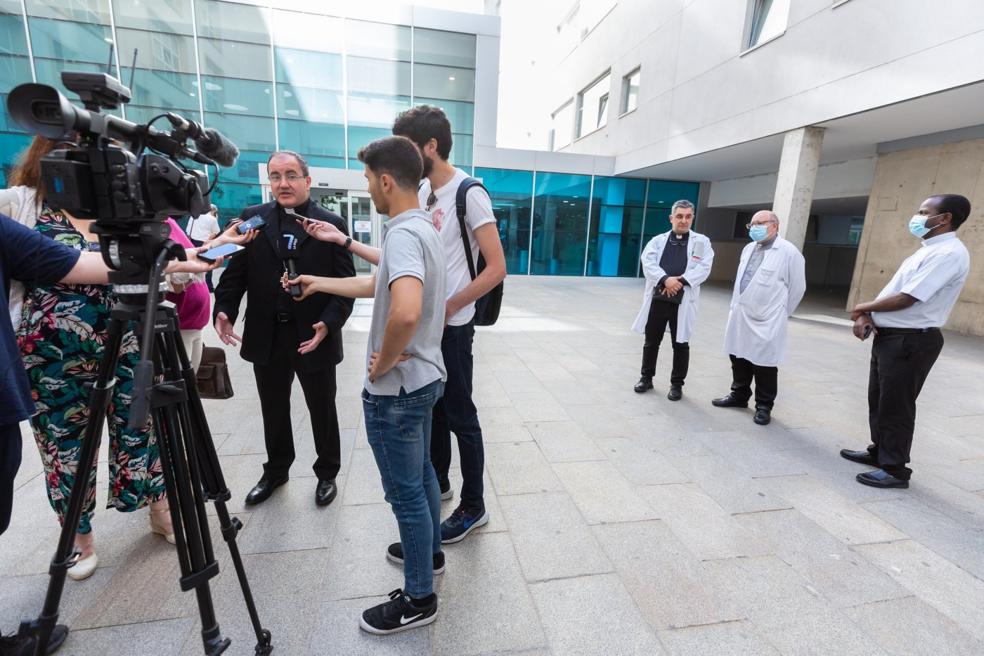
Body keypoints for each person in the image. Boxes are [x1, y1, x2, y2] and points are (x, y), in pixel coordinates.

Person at [0, 214, 217, 655]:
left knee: (143, 434)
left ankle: (160, 512)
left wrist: (172, 266)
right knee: (65, 450)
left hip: (131, 344)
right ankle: (79, 539)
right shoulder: (29, 210)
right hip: (52, 356)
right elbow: (60, 263)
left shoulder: (125, 216)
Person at [287, 136, 447, 634]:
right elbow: (382, 286)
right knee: (421, 478)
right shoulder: (423, 227)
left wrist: (383, 363)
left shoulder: (401, 233)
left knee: (406, 495)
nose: (369, 190)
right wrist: (320, 282)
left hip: (397, 390)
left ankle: (420, 597)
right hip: (425, 380)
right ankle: (430, 554)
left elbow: (406, 309)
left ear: (384, 180)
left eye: (367, 181)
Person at [213, 151, 355, 508]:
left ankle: (327, 473)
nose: (283, 183)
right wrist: (225, 309)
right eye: (276, 176)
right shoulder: (252, 220)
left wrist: (329, 322)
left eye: (291, 175)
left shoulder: (330, 223)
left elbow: (346, 284)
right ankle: (276, 470)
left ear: (307, 180)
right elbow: (235, 274)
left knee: (322, 407)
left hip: (313, 334)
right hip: (267, 334)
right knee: (272, 407)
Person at [841, 194, 972, 488]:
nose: (917, 216)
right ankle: (880, 452)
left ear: (945, 218)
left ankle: (895, 469)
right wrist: (869, 316)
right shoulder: (926, 250)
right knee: (879, 400)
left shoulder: (948, 253)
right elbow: (895, 292)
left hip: (911, 341)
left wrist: (862, 307)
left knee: (896, 405)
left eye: (924, 211)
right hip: (891, 338)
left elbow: (906, 298)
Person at [712, 210, 806, 425]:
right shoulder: (748, 248)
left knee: (764, 363)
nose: (754, 228)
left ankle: (764, 406)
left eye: (759, 223)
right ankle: (739, 395)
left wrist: (782, 312)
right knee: (738, 355)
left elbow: (798, 288)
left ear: (774, 225)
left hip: (768, 318)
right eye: (752, 224)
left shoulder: (789, 252)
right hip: (741, 313)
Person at [631, 199, 715, 400]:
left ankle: (676, 385)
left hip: (683, 300)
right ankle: (646, 378)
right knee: (651, 341)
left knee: (681, 344)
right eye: (679, 216)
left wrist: (681, 281)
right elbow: (648, 262)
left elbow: (704, 268)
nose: (684, 220)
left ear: (692, 217)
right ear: (671, 218)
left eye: (688, 216)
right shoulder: (658, 241)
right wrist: (666, 279)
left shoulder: (701, 242)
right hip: (658, 299)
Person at [185, 204, 221, 291]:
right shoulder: (212, 219)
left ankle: (193, 285)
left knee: (194, 264)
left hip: (194, 243)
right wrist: (208, 240)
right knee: (209, 264)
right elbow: (217, 232)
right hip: (207, 244)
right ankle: (208, 287)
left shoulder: (193, 217)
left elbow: (188, 232)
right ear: (213, 211)